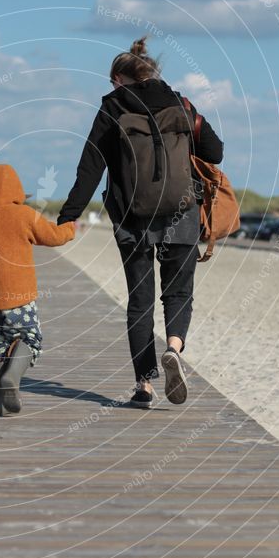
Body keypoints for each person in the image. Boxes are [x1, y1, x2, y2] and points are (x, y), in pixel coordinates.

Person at [57, 37, 223, 408]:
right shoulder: (181, 103)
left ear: (119, 78)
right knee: (178, 293)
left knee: (140, 301)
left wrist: (69, 216)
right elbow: (215, 152)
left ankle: (144, 386)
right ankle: (175, 350)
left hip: (132, 218)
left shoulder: (112, 106)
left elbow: (90, 167)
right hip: (182, 212)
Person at [0, 163, 75, 416]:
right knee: (30, 338)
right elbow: (53, 236)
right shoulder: (24, 215)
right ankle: (13, 378)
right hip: (18, 296)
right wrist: (70, 228)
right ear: (16, 189)